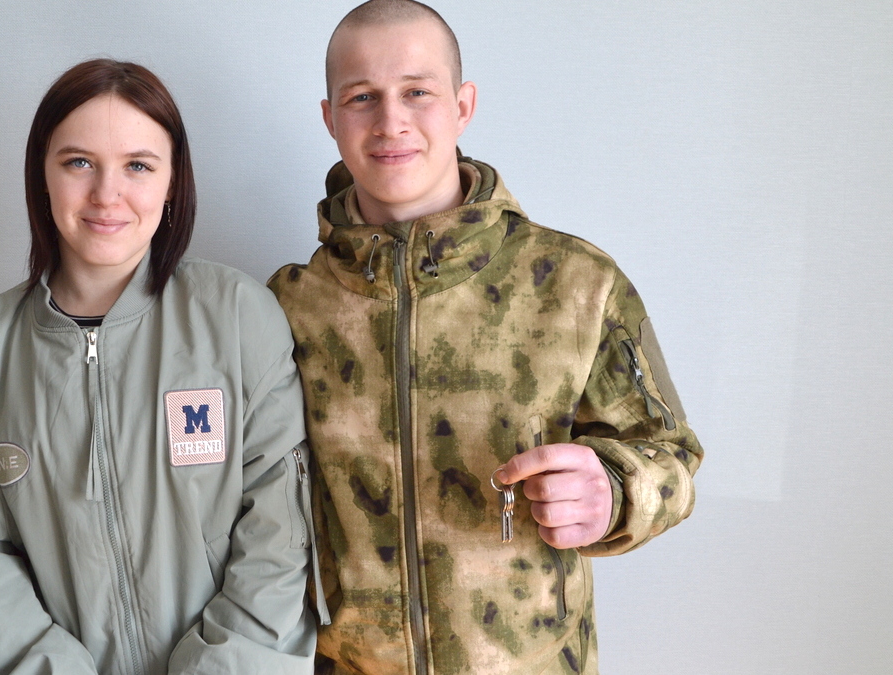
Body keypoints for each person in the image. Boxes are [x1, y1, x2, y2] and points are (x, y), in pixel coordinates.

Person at [267, 2, 704, 673]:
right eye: (362, 98)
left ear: (463, 105)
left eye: (418, 91)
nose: (391, 121)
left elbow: (673, 455)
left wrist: (616, 490)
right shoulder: (285, 306)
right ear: (330, 118)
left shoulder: (576, 282)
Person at [0, 58, 324, 674]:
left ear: (173, 182)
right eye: (79, 162)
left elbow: (282, 536)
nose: (107, 194)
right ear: (42, 175)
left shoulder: (239, 317)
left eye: (138, 165)